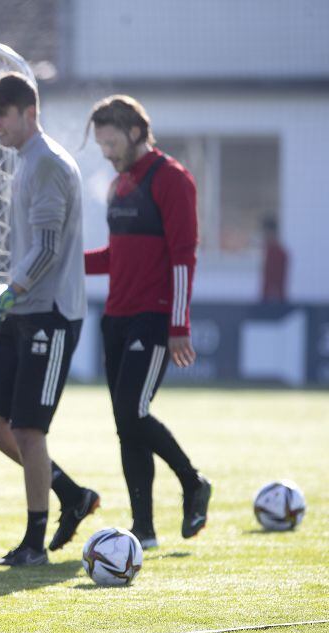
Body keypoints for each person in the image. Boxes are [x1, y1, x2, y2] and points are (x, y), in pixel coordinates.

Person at [0, 74, 100, 567]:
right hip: (23, 308)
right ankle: (70, 491)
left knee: (28, 429)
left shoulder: (46, 163)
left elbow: (46, 249)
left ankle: (34, 542)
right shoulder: (26, 161)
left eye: (1, 115)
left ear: (28, 112)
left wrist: (7, 296)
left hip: (49, 313)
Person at [85, 95, 211, 549]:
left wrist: (179, 325)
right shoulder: (120, 183)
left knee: (133, 413)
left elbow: (183, 257)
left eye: (111, 141)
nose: (106, 151)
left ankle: (193, 482)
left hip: (153, 318)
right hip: (115, 318)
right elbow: (116, 255)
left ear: (136, 132)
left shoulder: (172, 178)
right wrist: (66, 264)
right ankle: (145, 529)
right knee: (126, 421)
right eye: (101, 144)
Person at [260, 215, 287, 304]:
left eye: (265, 233)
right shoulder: (268, 251)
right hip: (268, 299)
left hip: (273, 301)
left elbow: (275, 279)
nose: (264, 237)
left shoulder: (277, 253)